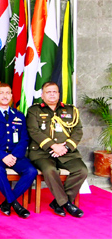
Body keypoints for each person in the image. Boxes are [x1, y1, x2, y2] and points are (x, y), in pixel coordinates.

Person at [26, 82, 87, 217]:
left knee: (82, 170)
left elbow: (78, 131)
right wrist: (54, 146)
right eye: (48, 92)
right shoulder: (34, 110)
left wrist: (65, 147)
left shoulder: (71, 110)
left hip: (66, 152)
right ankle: (66, 204)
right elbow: (34, 131)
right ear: (42, 95)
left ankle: (58, 202)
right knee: (49, 170)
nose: (52, 94)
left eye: (55, 91)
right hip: (42, 153)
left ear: (59, 94)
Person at [0, 83, 34, 218]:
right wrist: (3, 156)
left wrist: (14, 155)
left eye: (8, 93)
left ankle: (7, 203)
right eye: (1, 93)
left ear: (11, 95)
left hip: (16, 154)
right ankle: (15, 203)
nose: (5, 96)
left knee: (31, 171)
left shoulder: (19, 115)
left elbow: (24, 139)